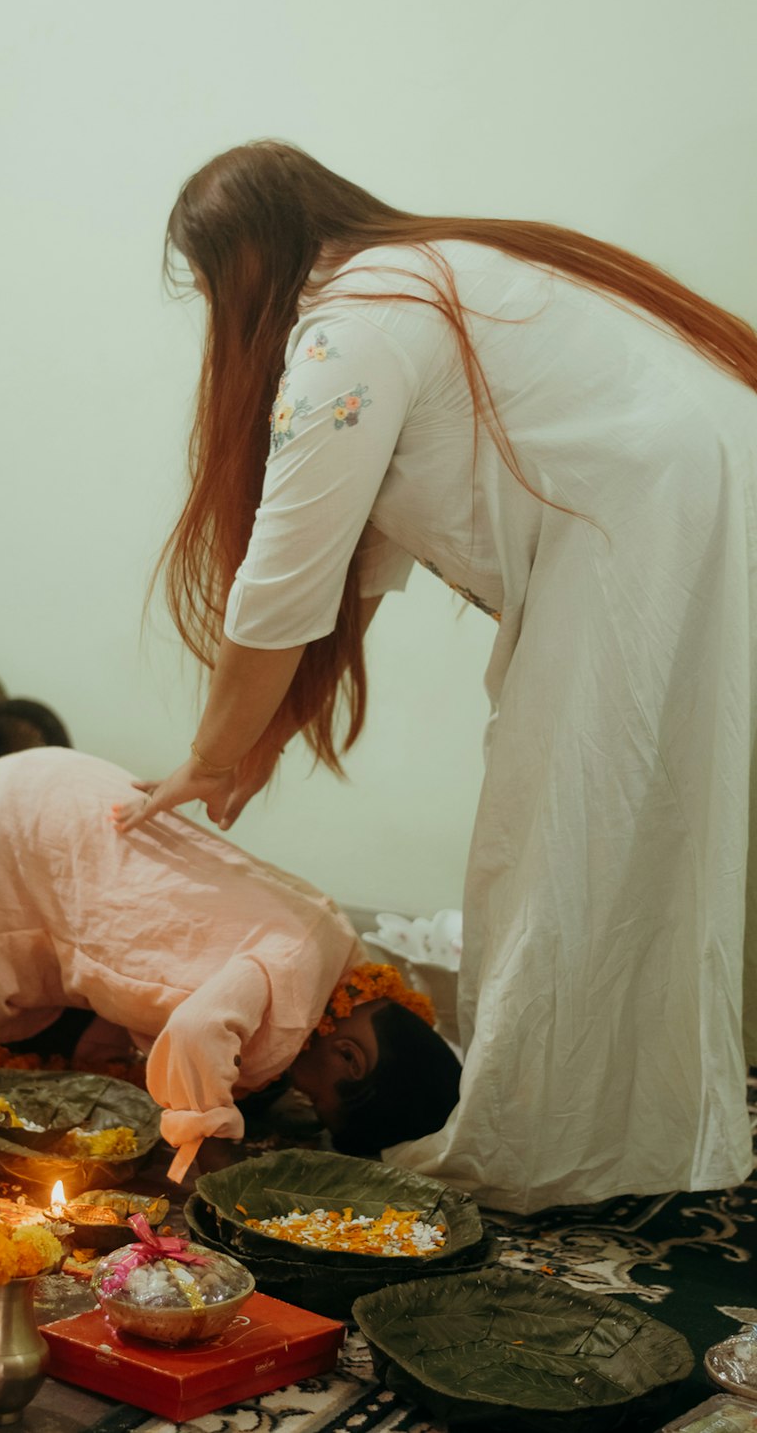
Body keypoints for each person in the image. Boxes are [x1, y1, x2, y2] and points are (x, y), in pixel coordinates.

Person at [112, 139, 757, 1214]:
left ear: (239, 268)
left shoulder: (347, 329)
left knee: (555, 844)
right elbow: (348, 584)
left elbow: (283, 582)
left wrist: (211, 753)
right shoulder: (422, 274)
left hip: (644, 526)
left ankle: (541, 1147)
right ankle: (625, 1131)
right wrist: (251, 753)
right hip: (675, 504)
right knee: (626, 842)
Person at [0, 747, 459, 1183]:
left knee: (226, 1087)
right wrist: (207, 1151)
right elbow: (190, 1036)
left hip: (62, 816)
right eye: (325, 1100)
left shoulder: (337, 953)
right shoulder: (291, 972)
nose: (307, 1102)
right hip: (14, 847)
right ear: (349, 1055)